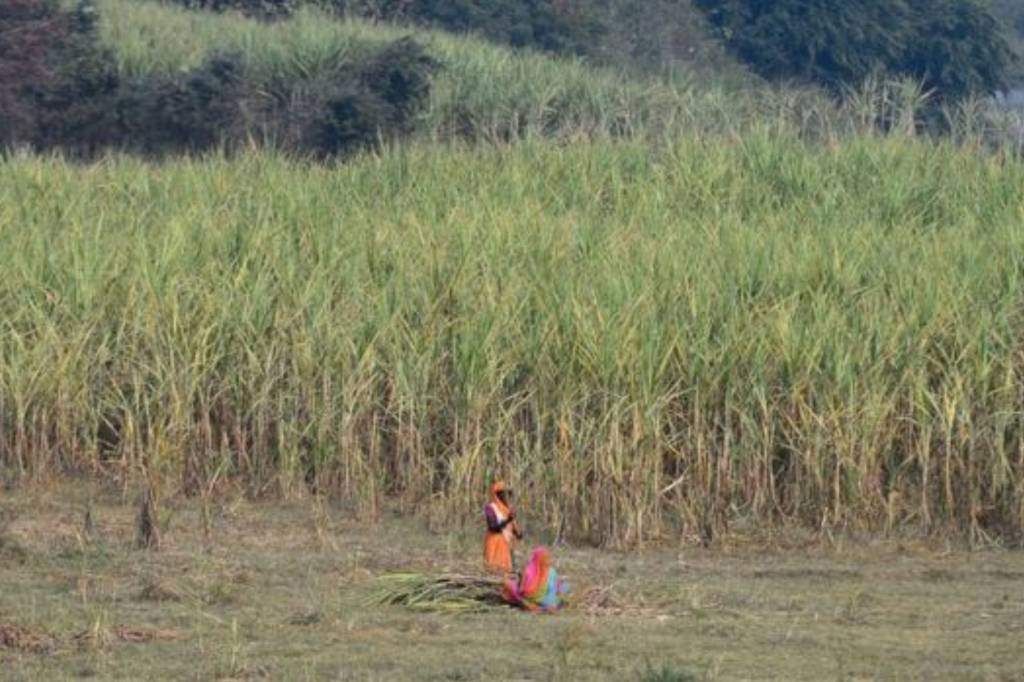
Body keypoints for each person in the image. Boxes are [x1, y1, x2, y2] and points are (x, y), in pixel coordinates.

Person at [502, 546, 569, 612]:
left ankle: (535, 605)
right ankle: (548, 605)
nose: (548, 560)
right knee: (564, 585)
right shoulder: (551, 572)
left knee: (509, 584)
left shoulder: (528, 570)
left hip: (528, 599)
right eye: (546, 558)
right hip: (543, 600)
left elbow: (521, 590)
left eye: (548, 558)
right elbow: (554, 589)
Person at [483, 481, 521, 573]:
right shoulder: (490, 508)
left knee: (506, 570)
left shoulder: (506, 509)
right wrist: (508, 520)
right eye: (502, 493)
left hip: (505, 543)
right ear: (497, 494)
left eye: (506, 493)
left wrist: (517, 533)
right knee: (493, 569)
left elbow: (511, 525)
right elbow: (493, 527)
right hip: (494, 542)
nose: (505, 496)